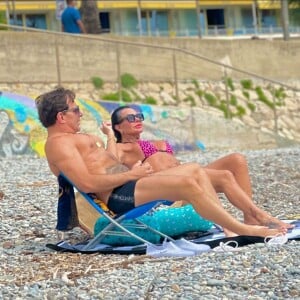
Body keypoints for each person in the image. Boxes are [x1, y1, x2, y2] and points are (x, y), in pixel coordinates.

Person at [35, 87, 287, 238]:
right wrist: (130, 175)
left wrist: (132, 171)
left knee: (194, 169)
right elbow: (87, 182)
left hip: (131, 183)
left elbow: (105, 165)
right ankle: (242, 228)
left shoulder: (73, 139)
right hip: (119, 196)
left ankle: (254, 216)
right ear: (61, 116)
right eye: (76, 110)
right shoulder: (58, 144)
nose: (80, 114)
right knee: (189, 180)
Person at [111, 105, 292, 230]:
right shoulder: (120, 149)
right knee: (225, 175)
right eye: (131, 118)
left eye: (139, 116)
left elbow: (172, 163)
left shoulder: (149, 143)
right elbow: (113, 168)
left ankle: (251, 219)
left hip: (186, 176)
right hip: (169, 189)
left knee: (236, 160)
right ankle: (245, 221)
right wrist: (110, 139)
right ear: (118, 126)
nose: (138, 119)